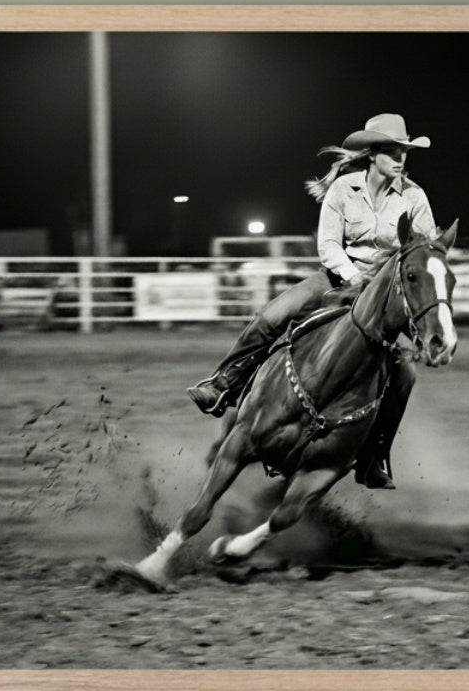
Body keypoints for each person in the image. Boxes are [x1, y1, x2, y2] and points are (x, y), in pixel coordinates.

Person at [187, 113, 439, 489]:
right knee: (273, 315)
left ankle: (374, 456)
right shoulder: (343, 190)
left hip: (384, 295)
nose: (400, 158)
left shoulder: (414, 197)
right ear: (373, 154)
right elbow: (329, 246)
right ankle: (225, 382)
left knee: (405, 375)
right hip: (336, 278)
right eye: (392, 151)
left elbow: (425, 249)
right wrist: (354, 276)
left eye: (404, 151)